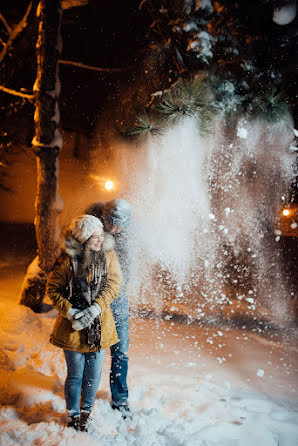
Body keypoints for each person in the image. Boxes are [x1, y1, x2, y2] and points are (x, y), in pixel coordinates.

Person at [46, 214, 121, 431]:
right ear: (82, 240)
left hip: (99, 326)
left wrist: (95, 308)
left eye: (101, 235)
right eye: (94, 237)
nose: (100, 240)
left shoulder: (109, 255)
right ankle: (73, 415)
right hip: (73, 329)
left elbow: (113, 285)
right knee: (76, 375)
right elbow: (53, 289)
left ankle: (86, 412)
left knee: (93, 374)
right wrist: (71, 313)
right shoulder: (67, 259)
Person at [85, 199, 131, 417]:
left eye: (118, 225)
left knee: (120, 351)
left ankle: (120, 399)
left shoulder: (130, 238)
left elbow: (128, 270)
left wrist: (118, 289)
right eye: (109, 222)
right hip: (95, 299)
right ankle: (86, 399)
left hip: (119, 298)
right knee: (93, 349)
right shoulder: (92, 232)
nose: (113, 229)